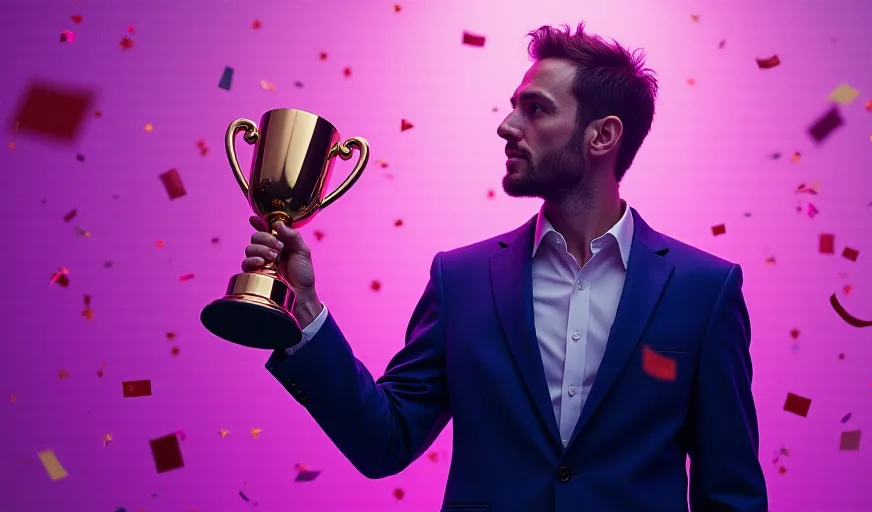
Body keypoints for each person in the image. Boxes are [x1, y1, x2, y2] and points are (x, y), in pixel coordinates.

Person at [244, 22, 768, 512]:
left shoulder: (705, 290)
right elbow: (385, 441)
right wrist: (303, 309)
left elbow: (731, 492)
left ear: (603, 136)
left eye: (536, 109)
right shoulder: (461, 280)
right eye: (513, 106)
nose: (506, 126)